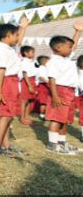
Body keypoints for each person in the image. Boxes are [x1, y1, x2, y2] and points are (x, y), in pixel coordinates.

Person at [0, 18, 29, 157]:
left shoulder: (10, 48)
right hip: (6, 82)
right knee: (5, 116)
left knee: (9, 116)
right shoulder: (1, 51)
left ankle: (5, 145)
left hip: (12, 82)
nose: (18, 38)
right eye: (15, 34)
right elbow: (1, 71)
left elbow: (19, 41)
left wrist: (22, 27)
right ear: (7, 36)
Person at [45, 22, 82, 155]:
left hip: (70, 91)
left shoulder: (66, 58)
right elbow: (52, 80)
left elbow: (75, 44)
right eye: (69, 47)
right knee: (56, 118)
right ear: (59, 47)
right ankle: (53, 145)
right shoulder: (53, 61)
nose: (71, 49)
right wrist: (55, 96)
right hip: (59, 91)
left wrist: (78, 32)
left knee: (65, 119)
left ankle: (62, 143)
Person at [19, 46, 37, 125]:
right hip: (27, 81)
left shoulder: (32, 61)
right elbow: (25, 73)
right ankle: (22, 118)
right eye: (32, 52)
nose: (33, 54)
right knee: (24, 100)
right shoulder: (24, 62)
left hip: (32, 80)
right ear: (26, 53)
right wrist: (29, 85)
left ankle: (26, 116)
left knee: (29, 100)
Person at [36, 55, 50, 121]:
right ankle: (42, 115)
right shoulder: (41, 68)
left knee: (47, 101)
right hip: (43, 86)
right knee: (43, 102)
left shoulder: (45, 68)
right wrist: (48, 82)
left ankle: (46, 114)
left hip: (46, 85)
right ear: (44, 62)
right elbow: (41, 77)